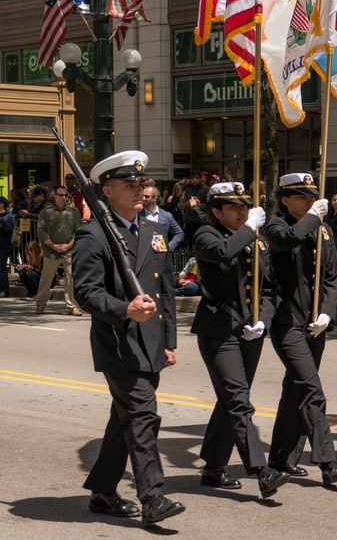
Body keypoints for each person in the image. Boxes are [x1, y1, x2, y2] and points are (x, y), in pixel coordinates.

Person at [73, 151, 185, 526]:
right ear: (107, 190)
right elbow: (86, 293)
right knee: (143, 415)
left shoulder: (153, 231)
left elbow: (165, 288)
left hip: (150, 340)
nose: (140, 190)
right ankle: (152, 496)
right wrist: (125, 310)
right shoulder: (93, 234)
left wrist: (169, 340)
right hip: (118, 341)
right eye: (130, 185)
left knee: (124, 420)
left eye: (142, 184)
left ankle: (103, 491)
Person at [190, 182, 291, 497]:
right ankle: (262, 471)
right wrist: (249, 228)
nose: (242, 211)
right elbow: (222, 253)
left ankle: (212, 467)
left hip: (251, 331)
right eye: (233, 207)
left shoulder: (256, 241)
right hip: (218, 330)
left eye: (245, 206)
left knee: (230, 401)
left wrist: (263, 319)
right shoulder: (206, 235)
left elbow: (270, 287)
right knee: (239, 401)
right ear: (216, 212)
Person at [264, 173, 337, 487]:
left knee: (296, 390)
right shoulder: (276, 226)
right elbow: (286, 241)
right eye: (302, 196)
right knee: (311, 388)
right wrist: (311, 220)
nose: (309, 201)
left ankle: (281, 460)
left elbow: (331, 278)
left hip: (316, 324)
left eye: (312, 196)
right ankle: (328, 462)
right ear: (285, 199)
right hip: (287, 321)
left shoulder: (325, 231)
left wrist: (328, 313)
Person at [35, 185, 83, 315]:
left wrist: (69, 245)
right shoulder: (46, 212)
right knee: (46, 280)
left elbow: (78, 231)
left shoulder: (73, 212)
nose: (64, 198)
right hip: (51, 251)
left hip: (68, 251)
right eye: (61, 195)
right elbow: (41, 230)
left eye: (65, 195)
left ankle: (72, 306)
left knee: (71, 280)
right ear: (54, 196)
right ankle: (40, 304)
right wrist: (52, 245)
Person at [140, 186, 185, 251]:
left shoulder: (166, 216)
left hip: (159, 253)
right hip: (142, 252)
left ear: (155, 198)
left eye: (146, 196)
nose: (143, 199)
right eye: (142, 196)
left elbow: (180, 233)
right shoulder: (137, 214)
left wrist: (169, 247)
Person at [0, 196, 13, 296]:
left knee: (1, 268)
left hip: (4, 245)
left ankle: (5, 290)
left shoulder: (8, 216)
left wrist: (1, 221)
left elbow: (10, 230)